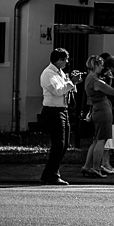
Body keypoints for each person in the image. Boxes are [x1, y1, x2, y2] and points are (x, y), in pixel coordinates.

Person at [39, 48, 80, 185]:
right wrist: (71, 82)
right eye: (65, 59)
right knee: (58, 143)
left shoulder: (60, 73)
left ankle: (49, 173)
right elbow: (58, 91)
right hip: (53, 111)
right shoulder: (48, 74)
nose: (67, 62)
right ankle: (52, 174)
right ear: (59, 60)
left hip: (62, 110)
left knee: (64, 143)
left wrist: (73, 82)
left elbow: (67, 90)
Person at [80, 55, 114, 178]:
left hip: (97, 109)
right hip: (103, 110)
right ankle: (96, 167)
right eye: (101, 65)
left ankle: (87, 166)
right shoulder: (96, 81)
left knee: (96, 140)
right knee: (101, 141)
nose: (102, 67)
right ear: (96, 65)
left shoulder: (89, 79)